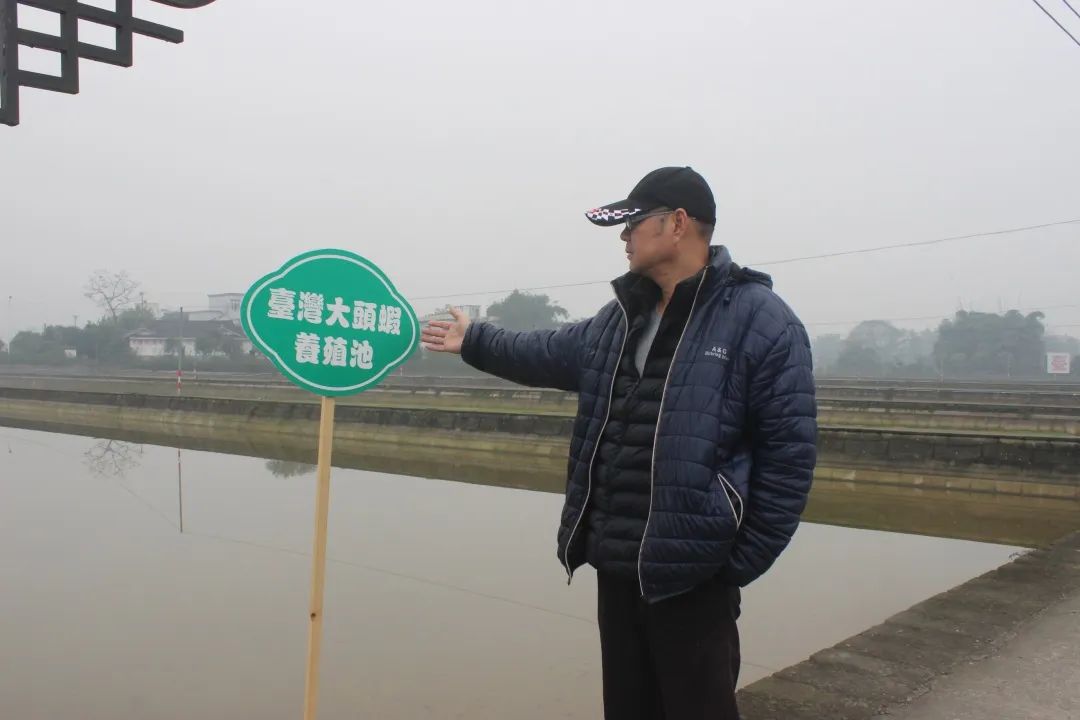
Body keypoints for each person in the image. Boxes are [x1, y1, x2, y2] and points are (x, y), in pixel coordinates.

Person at [421, 166, 817, 720]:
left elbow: (790, 458)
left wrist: (734, 564)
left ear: (678, 224)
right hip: (618, 561)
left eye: (633, 223)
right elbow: (545, 351)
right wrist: (476, 340)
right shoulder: (620, 318)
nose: (624, 236)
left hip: (694, 572)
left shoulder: (759, 321)